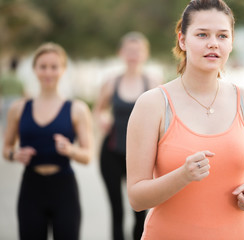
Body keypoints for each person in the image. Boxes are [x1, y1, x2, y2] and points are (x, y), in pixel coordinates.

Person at [126, 1, 244, 239]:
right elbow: (137, 198)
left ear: (231, 42)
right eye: (202, 34)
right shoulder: (153, 104)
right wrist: (183, 175)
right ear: (182, 40)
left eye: (222, 35)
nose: (213, 43)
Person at [2, 42, 93, 240]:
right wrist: (14, 154)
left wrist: (70, 150)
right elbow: (6, 149)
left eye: (54, 66)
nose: (48, 72)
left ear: (63, 70)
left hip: (64, 189)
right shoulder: (18, 109)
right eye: (43, 66)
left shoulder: (77, 109)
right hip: (31, 187)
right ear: (35, 69)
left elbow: (88, 156)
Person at [93, 32, 160, 240]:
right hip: (111, 152)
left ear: (145, 53)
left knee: (140, 211)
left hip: (141, 156)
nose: (133, 55)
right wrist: (102, 119)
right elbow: (98, 109)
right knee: (117, 210)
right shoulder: (112, 81)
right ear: (121, 53)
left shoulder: (153, 81)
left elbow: (163, 116)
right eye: (129, 51)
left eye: (137, 50)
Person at [0, 57, 26, 134]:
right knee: (17, 127)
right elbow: (24, 93)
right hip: (17, 104)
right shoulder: (20, 79)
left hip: (6, 103)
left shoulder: (4, 78)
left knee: (5, 126)